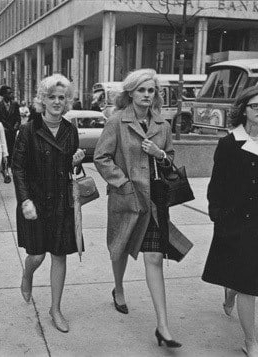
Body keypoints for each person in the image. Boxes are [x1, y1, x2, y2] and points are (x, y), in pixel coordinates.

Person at [94, 69, 181, 348]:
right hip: (126, 199)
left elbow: (171, 163)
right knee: (119, 249)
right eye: (141, 90)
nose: (147, 95)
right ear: (130, 92)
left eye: (151, 90)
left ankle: (163, 327)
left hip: (155, 201)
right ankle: (118, 288)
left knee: (154, 258)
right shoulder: (117, 121)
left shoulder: (162, 125)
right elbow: (101, 157)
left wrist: (160, 154)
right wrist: (124, 184)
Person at [202, 86, 258, 357]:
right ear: (243, 110)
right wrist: (221, 219)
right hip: (240, 221)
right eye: (255, 106)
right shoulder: (229, 143)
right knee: (248, 282)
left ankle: (232, 292)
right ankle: (250, 341)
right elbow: (216, 188)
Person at [13, 74, 85, 333]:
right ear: (42, 100)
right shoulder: (28, 130)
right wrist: (25, 200)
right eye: (51, 97)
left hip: (61, 202)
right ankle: (27, 274)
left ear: (67, 102)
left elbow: (66, 169)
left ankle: (55, 309)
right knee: (36, 255)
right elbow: (18, 167)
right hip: (34, 202)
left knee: (59, 255)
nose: (56, 101)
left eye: (61, 97)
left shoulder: (70, 130)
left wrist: (75, 161)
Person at [0, 85, 20, 166]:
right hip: (2, 132)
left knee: (12, 149)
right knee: (2, 149)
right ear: (3, 94)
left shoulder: (15, 104)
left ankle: (10, 166)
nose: (11, 95)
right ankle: (3, 166)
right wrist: (3, 128)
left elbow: (18, 118)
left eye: (11, 93)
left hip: (12, 132)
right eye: (9, 93)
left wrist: (16, 127)